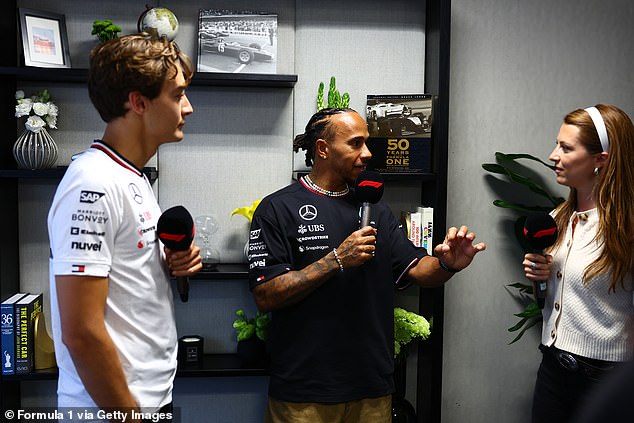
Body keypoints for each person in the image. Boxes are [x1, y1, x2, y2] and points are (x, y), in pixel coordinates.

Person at [248, 107, 486, 422]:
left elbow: (416, 270)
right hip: (304, 394)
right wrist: (335, 260)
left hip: (372, 390)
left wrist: (448, 264)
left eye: (367, 143)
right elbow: (265, 294)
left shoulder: (377, 211)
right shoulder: (277, 209)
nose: (368, 153)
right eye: (356, 143)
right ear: (322, 149)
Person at [48, 33, 202, 422]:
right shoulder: (94, 184)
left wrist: (168, 263)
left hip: (148, 396)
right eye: (177, 94)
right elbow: (81, 332)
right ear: (138, 102)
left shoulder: (130, 177)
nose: (188, 107)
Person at [523, 104, 634, 423]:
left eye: (566, 147)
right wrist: (539, 277)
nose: (552, 155)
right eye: (557, 144)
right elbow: (562, 301)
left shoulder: (626, 230)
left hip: (606, 380)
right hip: (553, 370)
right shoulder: (558, 218)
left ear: (601, 160)